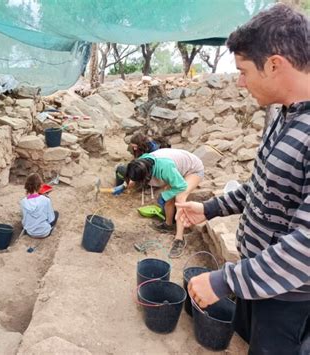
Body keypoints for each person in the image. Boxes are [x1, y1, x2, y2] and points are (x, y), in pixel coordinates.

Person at [176, 4, 310, 354]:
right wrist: (210, 208)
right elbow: (266, 186)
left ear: (274, 64)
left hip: (289, 299)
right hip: (258, 280)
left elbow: (307, 244)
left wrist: (224, 280)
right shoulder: (282, 115)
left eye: (243, 70)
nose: (239, 81)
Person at [125, 148, 204, 258]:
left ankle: (179, 239)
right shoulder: (140, 163)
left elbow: (181, 186)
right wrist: (126, 184)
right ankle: (168, 225)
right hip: (177, 169)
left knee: (179, 198)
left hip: (193, 170)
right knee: (169, 197)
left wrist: (164, 195)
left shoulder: (164, 167)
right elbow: (134, 176)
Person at [21, 173, 59, 238]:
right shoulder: (46, 200)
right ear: (40, 186)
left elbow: (24, 221)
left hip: (30, 232)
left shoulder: (23, 201)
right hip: (44, 233)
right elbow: (51, 219)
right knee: (56, 213)